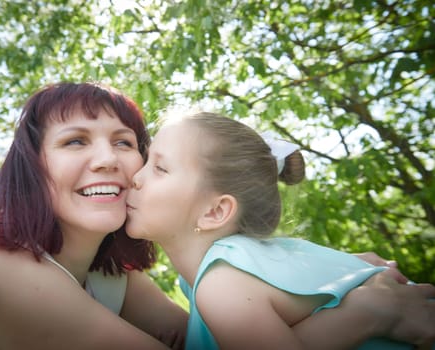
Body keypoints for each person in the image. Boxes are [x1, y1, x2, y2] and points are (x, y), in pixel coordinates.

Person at [0, 83, 430, 350]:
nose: (110, 159)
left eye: (126, 142)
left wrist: (327, 284)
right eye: (74, 141)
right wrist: (369, 313)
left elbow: (223, 339)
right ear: (33, 169)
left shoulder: (113, 279)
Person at [125, 111, 435, 349]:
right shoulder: (232, 270)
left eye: (159, 168)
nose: (135, 177)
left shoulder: (221, 283)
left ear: (215, 211)